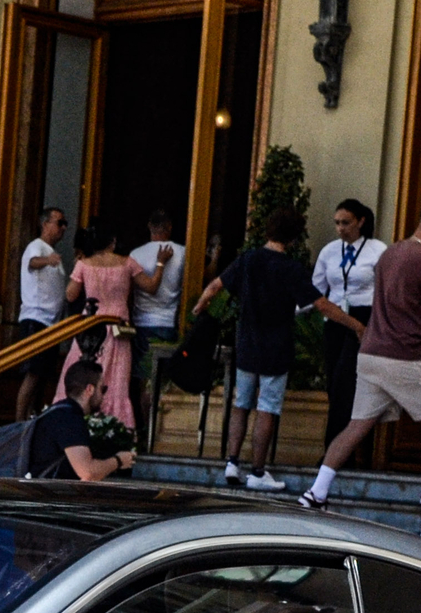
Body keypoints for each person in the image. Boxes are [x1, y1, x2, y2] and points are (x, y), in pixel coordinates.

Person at [300, 199, 421, 513]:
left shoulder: (389, 253)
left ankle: (316, 492)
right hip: (408, 353)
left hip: (370, 353)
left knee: (357, 425)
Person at [192, 207, 319, 491]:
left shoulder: (248, 259)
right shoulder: (291, 268)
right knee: (267, 408)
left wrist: (200, 306)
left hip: (246, 342)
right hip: (277, 346)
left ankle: (232, 463)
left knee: (241, 404)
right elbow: (317, 304)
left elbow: (215, 286)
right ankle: (258, 471)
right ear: (294, 237)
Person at [309, 199, 382, 448]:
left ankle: (340, 447)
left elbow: (384, 290)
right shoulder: (330, 251)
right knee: (334, 382)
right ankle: (341, 448)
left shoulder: (376, 250)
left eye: (346, 223)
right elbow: (316, 289)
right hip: (335, 318)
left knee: (349, 382)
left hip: (364, 318)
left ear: (361, 222)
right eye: (337, 223)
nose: (341, 228)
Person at [53, 229, 137, 430]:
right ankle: (115, 430)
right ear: (113, 242)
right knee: (116, 382)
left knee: (80, 373)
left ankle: (69, 423)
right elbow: (150, 286)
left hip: (90, 327)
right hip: (118, 328)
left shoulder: (84, 264)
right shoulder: (128, 263)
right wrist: (160, 264)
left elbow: (71, 295)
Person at [27, 357, 135, 481]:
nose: (103, 396)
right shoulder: (68, 418)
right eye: (102, 389)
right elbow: (88, 472)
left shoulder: (58, 412)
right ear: (90, 389)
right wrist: (119, 461)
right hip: (47, 495)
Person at [127, 210, 185, 421]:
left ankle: (145, 428)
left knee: (144, 379)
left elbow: (129, 291)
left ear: (150, 227)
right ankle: (160, 428)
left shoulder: (135, 254)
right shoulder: (183, 252)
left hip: (143, 323)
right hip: (169, 323)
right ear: (169, 227)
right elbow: (204, 275)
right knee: (165, 382)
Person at [16, 207, 69, 422]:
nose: (63, 228)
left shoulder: (52, 253)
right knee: (33, 374)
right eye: (59, 222)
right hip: (36, 320)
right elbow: (32, 262)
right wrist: (47, 260)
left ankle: (33, 419)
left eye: (65, 224)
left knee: (43, 377)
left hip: (51, 325)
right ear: (45, 224)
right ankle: (19, 423)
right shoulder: (36, 246)